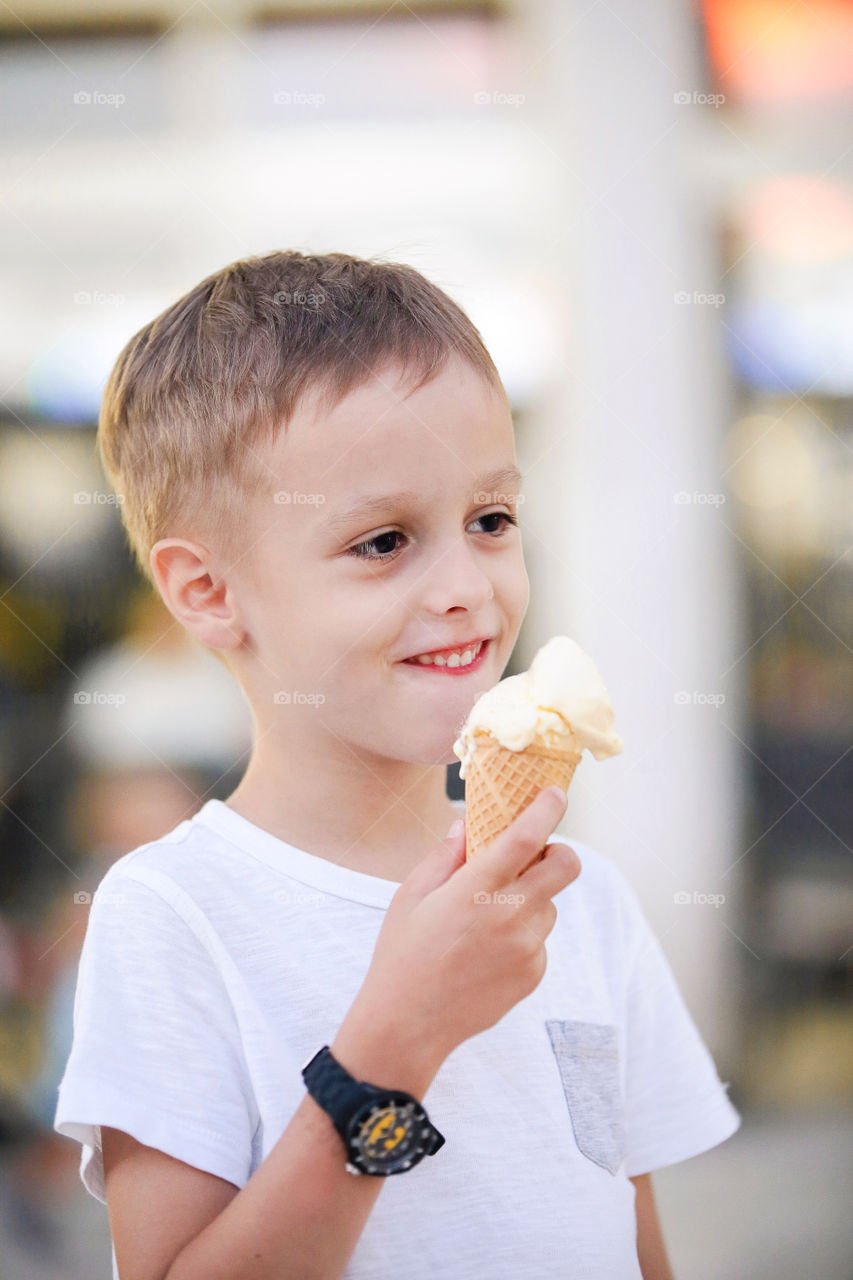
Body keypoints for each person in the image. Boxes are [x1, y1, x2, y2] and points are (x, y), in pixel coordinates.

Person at [53, 251, 740, 1280]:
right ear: (207, 593)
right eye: (383, 540)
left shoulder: (582, 900)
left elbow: (629, 1240)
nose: (467, 584)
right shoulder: (173, 915)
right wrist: (394, 1042)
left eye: (491, 520)